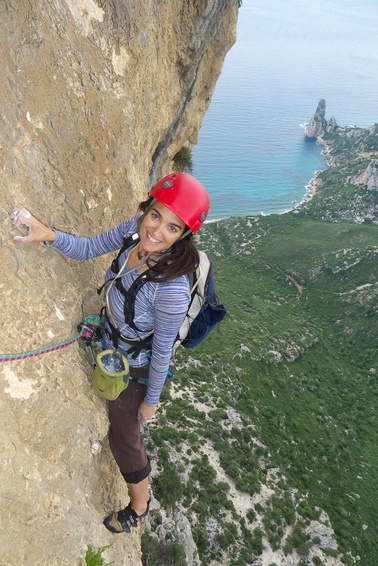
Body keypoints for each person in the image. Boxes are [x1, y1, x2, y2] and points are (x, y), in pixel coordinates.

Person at [10, 172, 210, 534]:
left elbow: (162, 351)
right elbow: (87, 248)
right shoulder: (132, 232)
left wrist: (151, 401)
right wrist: (47, 234)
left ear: (183, 236)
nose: (157, 231)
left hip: (137, 367)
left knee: (124, 433)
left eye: (172, 228)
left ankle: (140, 504)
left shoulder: (172, 289)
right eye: (156, 216)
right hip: (112, 334)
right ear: (147, 208)